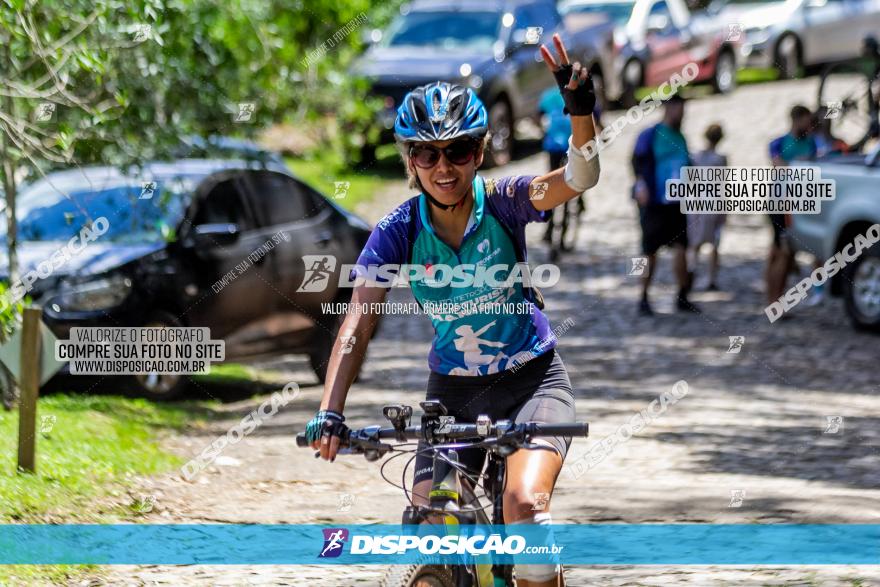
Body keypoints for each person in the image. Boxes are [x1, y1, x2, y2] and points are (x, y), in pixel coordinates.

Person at [305, 34, 600, 587]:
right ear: (410, 161)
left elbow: (580, 178)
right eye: (427, 153)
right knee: (427, 524)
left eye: (458, 151)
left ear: (479, 152)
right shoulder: (398, 230)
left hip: (533, 381)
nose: (444, 167)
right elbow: (358, 322)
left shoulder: (508, 200)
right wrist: (331, 410)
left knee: (524, 507)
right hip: (454, 393)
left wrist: (580, 111)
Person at [631, 93, 698, 316]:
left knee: (681, 248)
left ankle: (682, 295)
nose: (682, 113)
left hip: (677, 202)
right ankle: (642, 296)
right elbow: (637, 162)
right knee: (649, 251)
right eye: (679, 108)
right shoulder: (650, 135)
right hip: (655, 202)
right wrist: (641, 185)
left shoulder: (681, 137)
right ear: (668, 108)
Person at [766, 104, 816, 308]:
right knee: (783, 253)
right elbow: (779, 167)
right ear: (797, 119)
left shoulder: (811, 143)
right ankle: (774, 301)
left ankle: (775, 299)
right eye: (807, 121)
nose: (811, 125)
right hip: (780, 204)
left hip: (798, 205)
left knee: (780, 252)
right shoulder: (779, 143)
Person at [687, 124, 727, 291]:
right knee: (715, 243)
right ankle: (712, 278)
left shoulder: (695, 156)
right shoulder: (720, 159)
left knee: (695, 242)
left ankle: (691, 271)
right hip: (714, 202)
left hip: (697, 202)